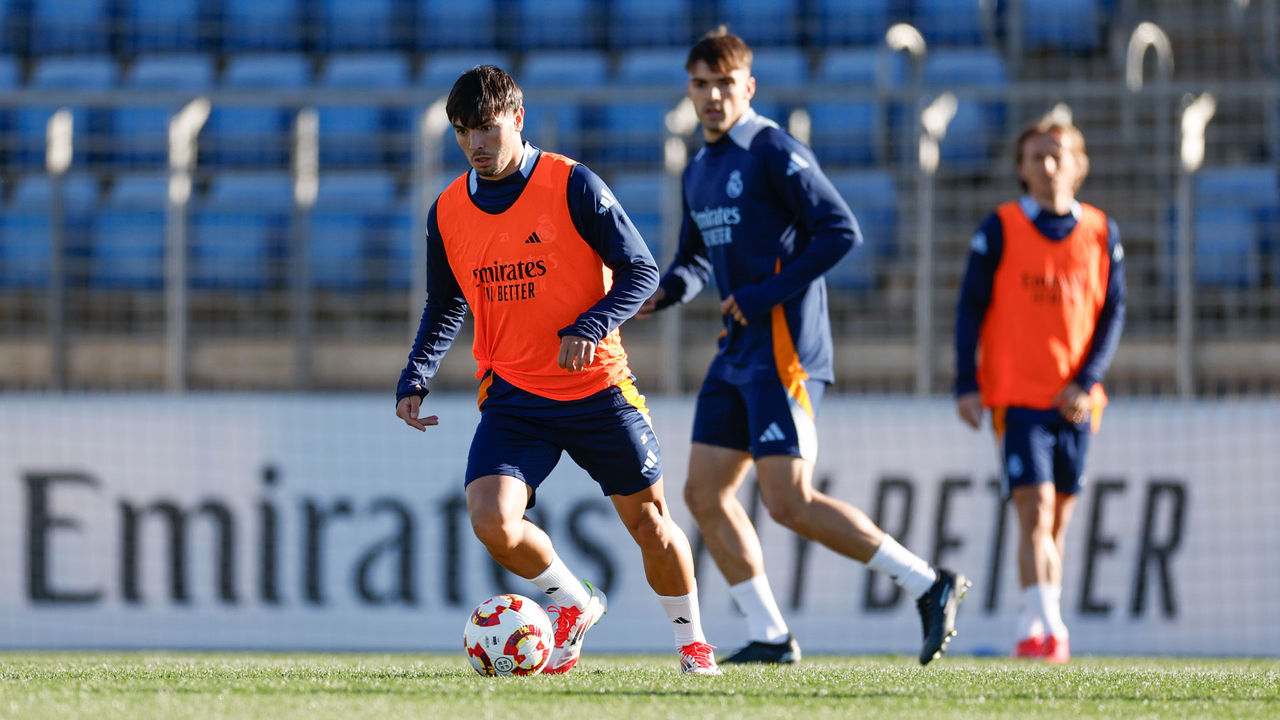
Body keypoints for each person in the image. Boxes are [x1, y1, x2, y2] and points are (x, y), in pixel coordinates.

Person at [638, 27, 970, 666]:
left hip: (785, 348)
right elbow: (693, 260)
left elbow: (840, 231)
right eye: (701, 85)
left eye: (724, 84)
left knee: (787, 500)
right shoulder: (701, 166)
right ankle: (770, 636)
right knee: (703, 494)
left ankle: (927, 583)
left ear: (748, 87)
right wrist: (660, 294)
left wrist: (766, 294)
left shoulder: (770, 148)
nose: (712, 97)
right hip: (737, 350)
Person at [395, 65, 719, 676]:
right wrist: (416, 375)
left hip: (598, 388)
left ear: (517, 118)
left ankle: (693, 643)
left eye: (486, 128)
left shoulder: (571, 184)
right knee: (491, 519)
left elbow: (642, 271)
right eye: (463, 132)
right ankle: (572, 599)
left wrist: (591, 326)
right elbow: (445, 302)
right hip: (514, 396)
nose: (475, 144)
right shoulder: (445, 211)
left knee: (651, 524)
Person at [953, 114, 1126, 664]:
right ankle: (1053, 631)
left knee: (1058, 521)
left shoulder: (1100, 230)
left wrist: (1086, 380)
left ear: (1079, 165)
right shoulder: (1000, 227)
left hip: (1075, 400)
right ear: (1022, 170)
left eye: (1058, 155)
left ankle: (1032, 625)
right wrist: (967, 381)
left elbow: (1112, 312)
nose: (1049, 165)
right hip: (1018, 396)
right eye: (1037, 157)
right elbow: (969, 309)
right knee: (1035, 510)